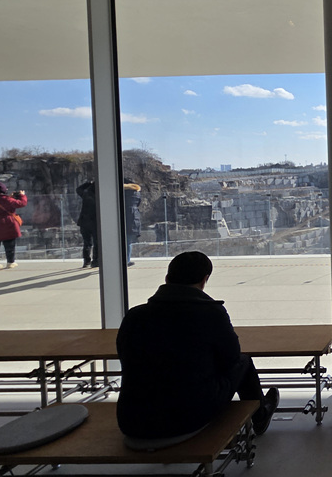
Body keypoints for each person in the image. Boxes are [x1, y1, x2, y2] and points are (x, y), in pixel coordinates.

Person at [116, 251, 279, 441]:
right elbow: (232, 358)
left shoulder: (134, 316)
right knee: (244, 362)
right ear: (204, 280)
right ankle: (260, 415)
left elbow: (125, 355)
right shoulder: (211, 313)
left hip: (132, 420)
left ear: (167, 279)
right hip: (187, 418)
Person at [0, 181, 28, 271]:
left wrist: (9, 197)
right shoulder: (7, 200)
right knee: (9, 245)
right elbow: (21, 203)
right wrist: (22, 195)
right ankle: (10, 262)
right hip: (7, 225)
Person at [76, 180, 99, 268]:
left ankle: (86, 261)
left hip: (84, 221)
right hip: (95, 222)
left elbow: (78, 189)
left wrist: (88, 183)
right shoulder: (99, 197)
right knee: (97, 242)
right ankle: (95, 261)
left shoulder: (86, 194)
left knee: (87, 242)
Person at [123, 178, 141, 266]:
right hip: (134, 217)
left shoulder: (122, 193)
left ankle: (120, 260)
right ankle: (127, 259)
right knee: (128, 241)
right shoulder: (137, 193)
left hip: (123, 216)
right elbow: (138, 204)